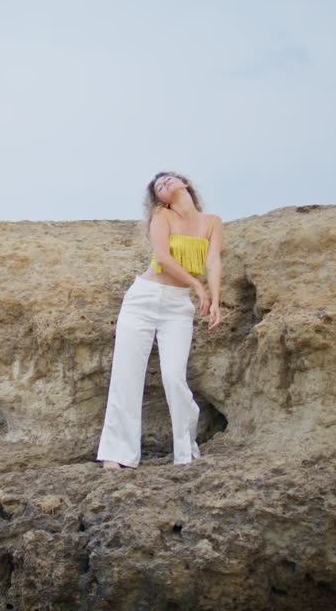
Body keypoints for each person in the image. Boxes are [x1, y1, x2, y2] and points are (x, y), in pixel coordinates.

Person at [96, 171, 222, 469]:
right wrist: (197, 285)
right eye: (157, 186)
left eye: (167, 179)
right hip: (143, 299)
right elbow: (163, 257)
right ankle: (117, 453)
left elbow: (213, 259)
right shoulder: (161, 215)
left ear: (185, 183)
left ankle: (185, 450)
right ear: (157, 198)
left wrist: (215, 299)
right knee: (127, 374)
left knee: (174, 376)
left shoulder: (212, 222)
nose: (162, 183)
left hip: (177, 308)